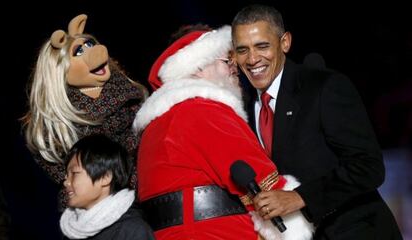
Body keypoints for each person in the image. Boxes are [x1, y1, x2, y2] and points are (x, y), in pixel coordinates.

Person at [231, 4, 402, 239]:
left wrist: (301, 197)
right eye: (242, 50)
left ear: (285, 43)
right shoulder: (243, 107)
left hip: (356, 231)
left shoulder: (324, 87)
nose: (252, 59)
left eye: (262, 46)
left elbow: (368, 167)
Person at [133, 24, 313, 240]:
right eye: (227, 60)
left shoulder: (159, 121)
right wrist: (295, 220)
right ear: (197, 68)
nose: (235, 66)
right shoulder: (201, 108)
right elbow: (258, 176)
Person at [22, 14, 146, 209]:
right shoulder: (56, 132)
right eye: (79, 51)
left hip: (153, 198)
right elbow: (73, 182)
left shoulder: (132, 98)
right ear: (60, 69)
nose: (93, 51)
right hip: (99, 216)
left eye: (90, 45)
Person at [60, 134, 155, 239]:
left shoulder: (132, 230)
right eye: (66, 175)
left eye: (74, 173)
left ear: (105, 177)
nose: (66, 182)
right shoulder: (72, 232)